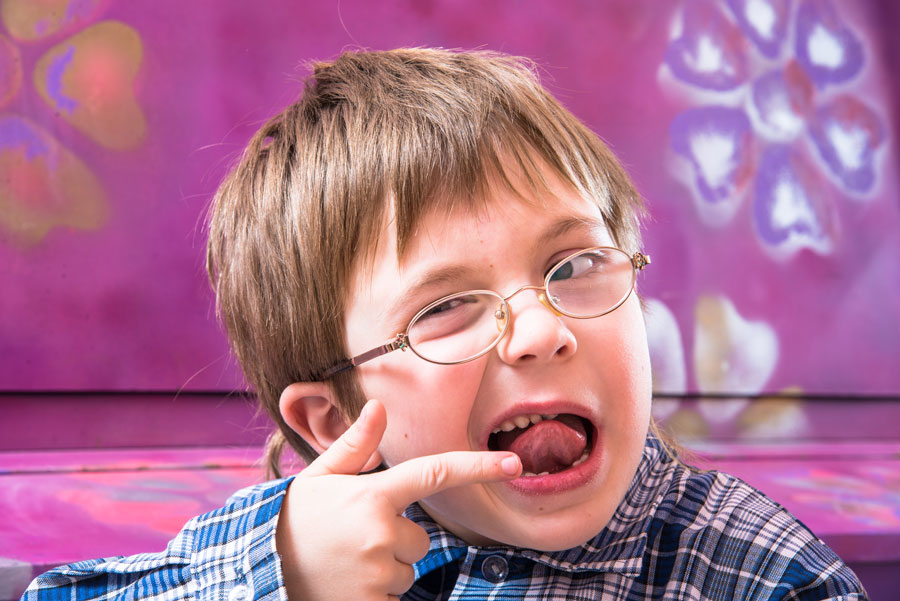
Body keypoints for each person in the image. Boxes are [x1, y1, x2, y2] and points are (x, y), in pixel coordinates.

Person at [22, 48, 866, 601]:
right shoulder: (292, 549)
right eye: (446, 307)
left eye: (572, 266)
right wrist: (284, 582)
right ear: (338, 420)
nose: (540, 330)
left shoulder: (768, 577)